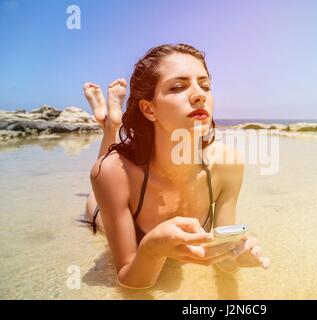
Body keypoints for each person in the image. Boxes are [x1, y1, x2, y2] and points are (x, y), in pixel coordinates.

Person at [82, 44, 270, 289]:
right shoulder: (111, 174)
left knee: (108, 160)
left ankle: (110, 121)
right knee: (105, 164)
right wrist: (151, 248)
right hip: (103, 207)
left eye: (205, 86)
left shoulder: (228, 165)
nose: (199, 95)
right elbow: (129, 279)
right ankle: (111, 125)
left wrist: (236, 256)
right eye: (178, 87)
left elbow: (223, 253)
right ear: (149, 109)